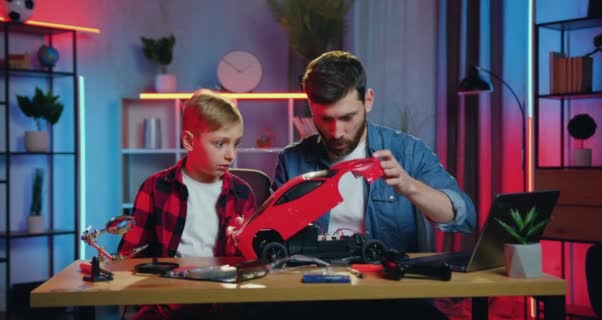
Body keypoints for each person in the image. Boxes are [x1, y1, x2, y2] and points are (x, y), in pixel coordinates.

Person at [272, 50, 477, 319]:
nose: (337, 132)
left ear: (368, 100)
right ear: (311, 107)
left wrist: (408, 185)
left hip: (393, 297)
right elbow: (273, 239)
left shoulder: (408, 151)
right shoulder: (292, 160)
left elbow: (463, 216)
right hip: (315, 296)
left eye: (347, 117)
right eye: (325, 119)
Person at [117, 89, 256, 319]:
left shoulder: (242, 193)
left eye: (236, 143)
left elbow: (252, 264)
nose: (231, 155)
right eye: (220, 144)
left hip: (224, 306)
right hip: (167, 305)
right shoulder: (155, 188)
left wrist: (244, 243)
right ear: (189, 141)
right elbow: (129, 256)